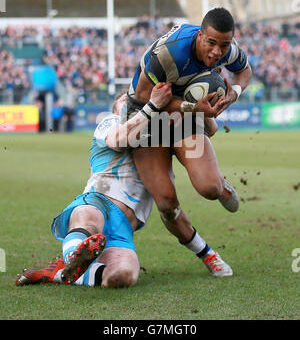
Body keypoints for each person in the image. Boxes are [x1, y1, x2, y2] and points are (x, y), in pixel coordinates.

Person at [15, 83, 233, 289]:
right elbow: (118, 141)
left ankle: (59, 273)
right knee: (89, 220)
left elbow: (207, 129)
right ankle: (73, 257)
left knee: (123, 276)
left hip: (123, 230)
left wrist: (194, 103)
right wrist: (152, 107)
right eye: (126, 104)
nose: (132, 108)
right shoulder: (110, 123)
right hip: (99, 200)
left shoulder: (160, 136)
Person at [122, 7, 251, 248]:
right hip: (149, 116)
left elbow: (244, 71)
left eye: (223, 45)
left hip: (185, 112)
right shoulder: (168, 55)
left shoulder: (227, 51)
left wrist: (235, 92)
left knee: (209, 188)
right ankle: (205, 252)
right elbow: (142, 96)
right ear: (200, 35)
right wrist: (194, 109)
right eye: (211, 43)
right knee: (166, 201)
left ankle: (221, 185)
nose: (216, 52)